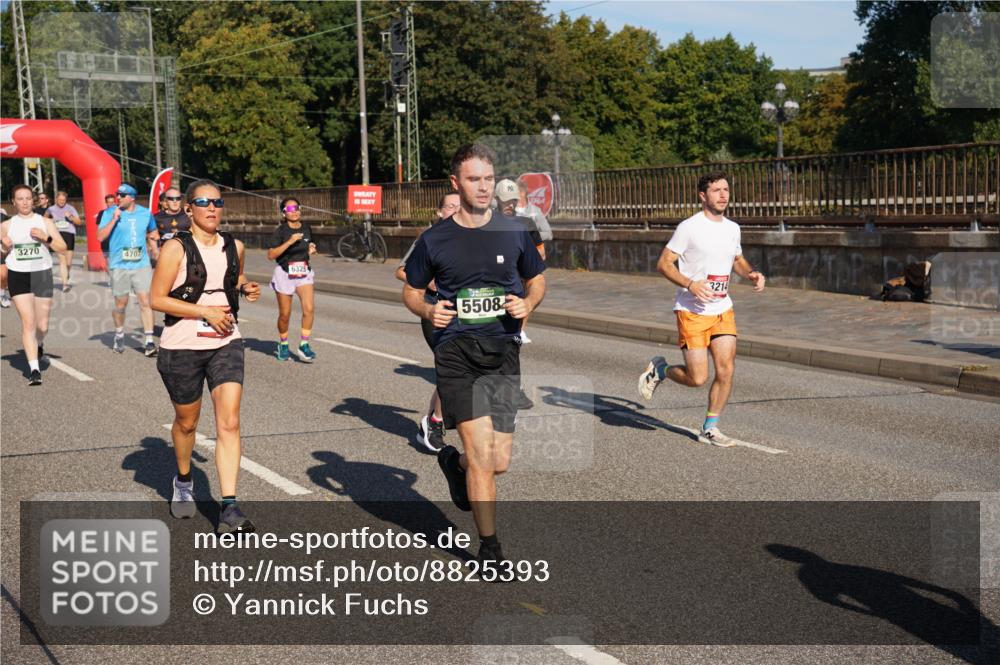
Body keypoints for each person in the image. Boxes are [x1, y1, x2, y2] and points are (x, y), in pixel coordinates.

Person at [403, 144, 546, 566]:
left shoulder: (515, 229)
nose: (483, 187)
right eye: (473, 179)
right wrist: (428, 309)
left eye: (488, 179)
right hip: (457, 353)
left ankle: (453, 463)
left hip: (502, 352)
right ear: (455, 183)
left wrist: (528, 305)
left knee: (497, 460)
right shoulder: (435, 239)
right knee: (483, 456)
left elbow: (537, 281)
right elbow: (410, 291)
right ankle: (490, 548)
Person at [150, 179, 261, 533]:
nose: (212, 208)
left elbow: (234, 274)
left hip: (226, 341)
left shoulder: (235, 245)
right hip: (181, 344)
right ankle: (183, 480)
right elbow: (157, 299)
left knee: (228, 421)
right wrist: (204, 312)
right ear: (189, 209)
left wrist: (245, 286)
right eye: (203, 202)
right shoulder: (175, 248)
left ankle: (229, 508)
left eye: (217, 202)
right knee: (187, 423)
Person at [637, 171, 765, 447]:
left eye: (726, 190)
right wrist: (690, 284)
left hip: (722, 309)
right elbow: (664, 264)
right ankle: (661, 371)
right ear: (702, 196)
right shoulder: (689, 227)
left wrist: (751, 273)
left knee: (726, 370)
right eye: (717, 190)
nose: (723, 195)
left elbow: (737, 260)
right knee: (697, 378)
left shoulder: (733, 228)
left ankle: (710, 427)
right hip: (692, 311)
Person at [395, 192, 461, 452]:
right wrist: (428, 281)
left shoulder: (470, 235)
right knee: (454, 368)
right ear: (439, 211)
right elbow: (401, 270)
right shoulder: (429, 237)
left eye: (459, 205)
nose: (455, 210)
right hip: (435, 309)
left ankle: (433, 421)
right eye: (450, 206)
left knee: (455, 370)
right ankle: (435, 421)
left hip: (463, 312)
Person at [1, 184, 67, 385]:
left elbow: (62, 247)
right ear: (13, 202)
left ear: (34, 200)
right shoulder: (5, 225)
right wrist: (5, 248)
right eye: (20, 199)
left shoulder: (45, 222)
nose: (25, 202)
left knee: (42, 325)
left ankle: (39, 342)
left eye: (28, 198)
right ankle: (34, 370)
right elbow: (2, 255)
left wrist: (45, 238)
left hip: (42, 274)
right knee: (28, 322)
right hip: (18, 276)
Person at [97, 183, 160, 357]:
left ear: (132, 197)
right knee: (120, 305)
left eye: (122, 195)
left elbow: (153, 232)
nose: (119, 198)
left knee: (146, 302)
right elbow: (100, 236)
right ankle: (119, 334)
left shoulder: (145, 213)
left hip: (141, 264)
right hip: (119, 265)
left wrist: (154, 245)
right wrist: (114, 219)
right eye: (118, 195)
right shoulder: (109, 213)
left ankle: (148, 342)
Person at [267, 197, 318, 362]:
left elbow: (310, 243)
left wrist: (311, 248)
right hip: (284, 274)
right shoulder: (280, 231)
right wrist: (289, 242)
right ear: (284, 213)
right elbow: (271, 255)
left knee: (309, 308)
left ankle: (304, 345)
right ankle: (283, 343)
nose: (294, 211)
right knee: (285, 315)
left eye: (296, 207)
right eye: (289, 209)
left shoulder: (306, 228)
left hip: (303, 272)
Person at [497, 179, 546, 345]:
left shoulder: (526, 223)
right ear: (496, 199)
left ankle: (520, 330)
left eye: (513, 200)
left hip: (520, 271)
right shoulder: (486, 222)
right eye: (505, 200)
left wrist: (526, 261)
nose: (510, 204)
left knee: (525, 298)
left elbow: (541, 251)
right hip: (497, 272)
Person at [47, 190, 82, 292]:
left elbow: (79, 222)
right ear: (56, 199)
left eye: (64, 200)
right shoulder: (51, 209)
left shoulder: (70, 208)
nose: (62, 201)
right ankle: (65, 284)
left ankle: (67, 273)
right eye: (60, 200)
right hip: (57, 234)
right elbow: (44, 219)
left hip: (69, 234)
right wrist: (50, 221)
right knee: (62, 259)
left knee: (68, 262)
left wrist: (70, 217)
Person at [97, 194, 116, 265]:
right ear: (106, 203)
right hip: (106, 240)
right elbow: (99, 227)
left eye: (113, 202)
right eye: (109, 202)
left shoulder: (119, 212)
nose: (111, 204)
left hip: (116, 239)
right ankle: (111, 275)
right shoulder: (102, 213)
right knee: (108, 261)